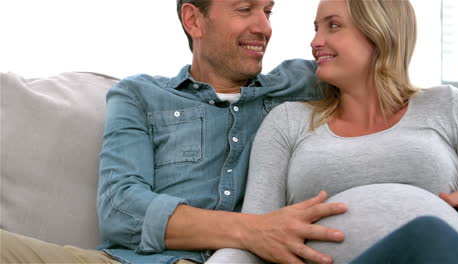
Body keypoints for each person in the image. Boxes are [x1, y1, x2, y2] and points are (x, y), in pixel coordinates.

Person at [0, 1, 347, 264]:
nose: (264, 27)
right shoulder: (140, 95)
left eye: (268, 12)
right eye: (244, 9)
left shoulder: (302, 84)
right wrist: (256, 230)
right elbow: (121, 209)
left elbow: (375, 66)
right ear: (194, 20)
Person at [207, 0, 458, 262]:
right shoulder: (288, 122)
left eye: (333, 26)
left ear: (379, 31)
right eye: (316, 28)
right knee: (426, 230)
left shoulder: (446, 105)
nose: (315, 42)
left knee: (427, 232)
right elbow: (254, 234)